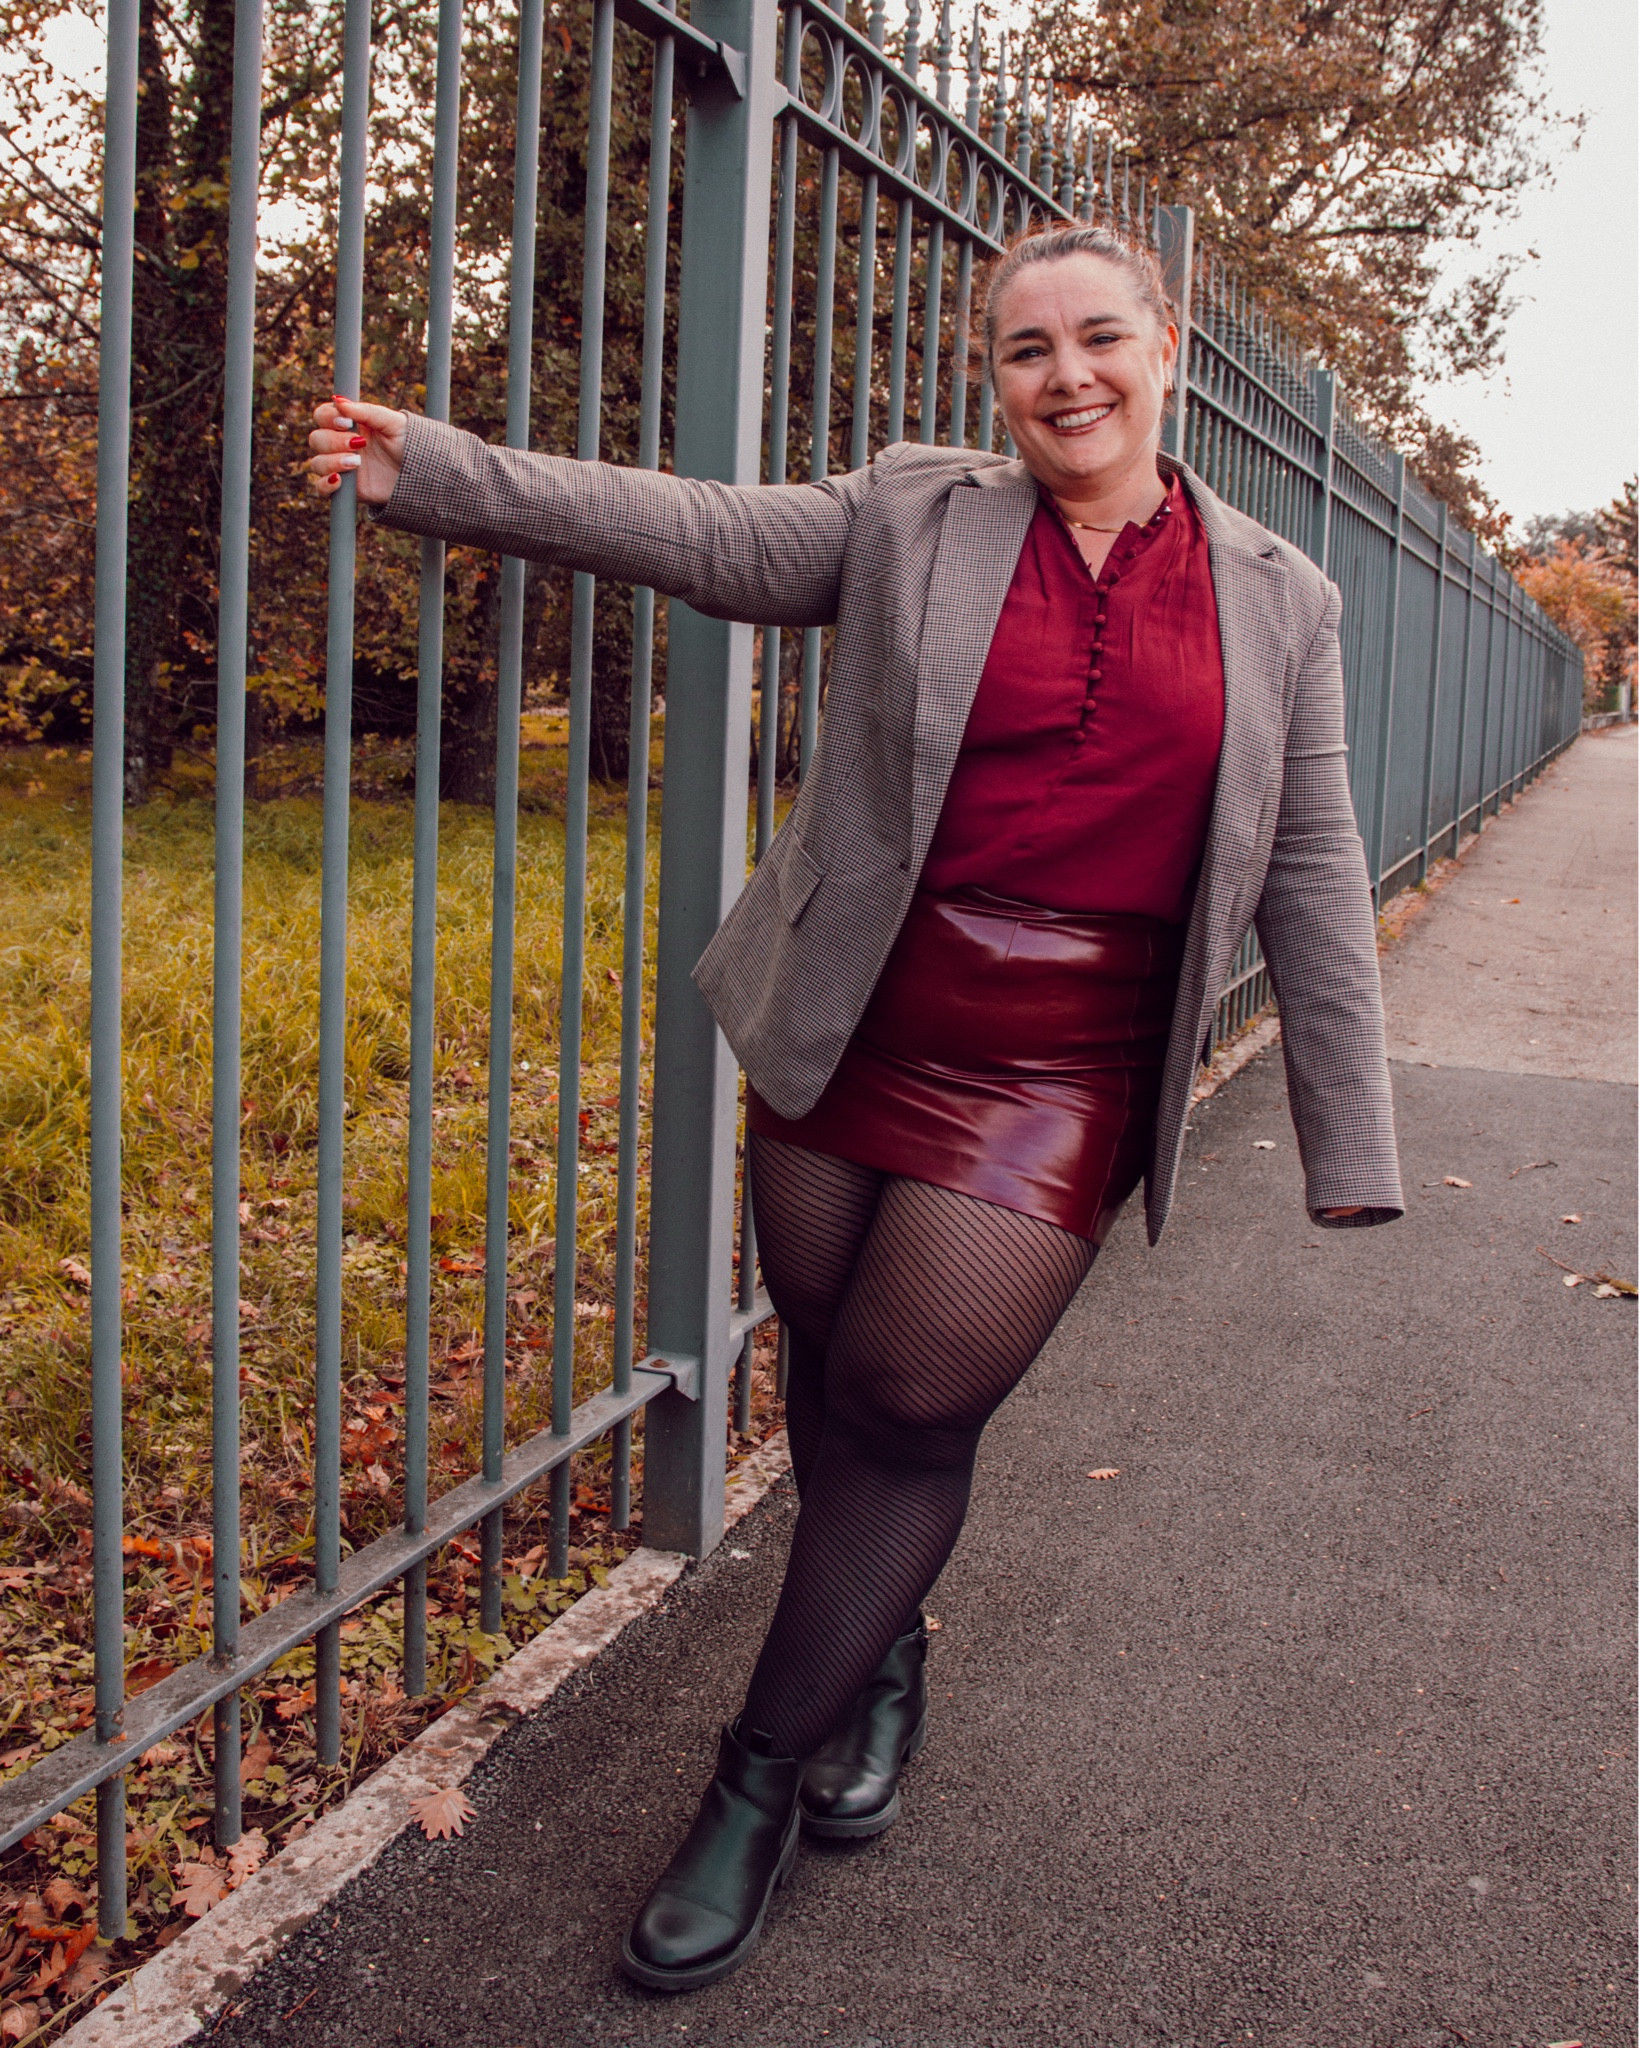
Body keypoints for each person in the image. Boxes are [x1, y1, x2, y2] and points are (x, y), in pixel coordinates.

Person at [308, 222, 1402, 1993]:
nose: (1069, 378)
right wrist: (437, 468)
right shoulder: (917, 514)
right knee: (830, 1364)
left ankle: (752, 1780)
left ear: (1167, 348)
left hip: (1057, 1067)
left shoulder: (1286, 593)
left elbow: (1318, 862)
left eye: (1100, 338)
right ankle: (879, 1648)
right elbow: (703, 533)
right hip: (853, 1020)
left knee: (905, 1393)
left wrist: (1350, 1140)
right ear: (998, 376)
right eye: (1029, 350)